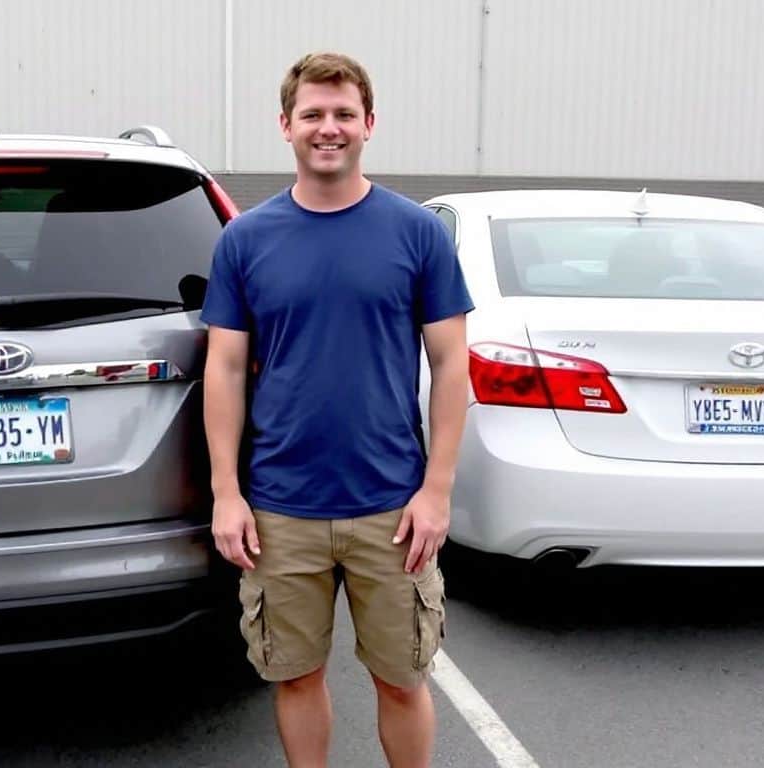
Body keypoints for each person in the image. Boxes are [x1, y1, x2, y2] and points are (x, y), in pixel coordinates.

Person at [201, 51, 473, 768]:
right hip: (280, 509)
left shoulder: (417, 234)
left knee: (404, 679)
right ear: (285, 125)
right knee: (295, 676)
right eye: (314, 115)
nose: (330, 128)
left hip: (392, 508)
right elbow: (224, 370)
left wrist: (437, 491)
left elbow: (451, 367)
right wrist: (227, 494)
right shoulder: (245, 241)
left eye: (344, 114)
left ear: (369, 124)